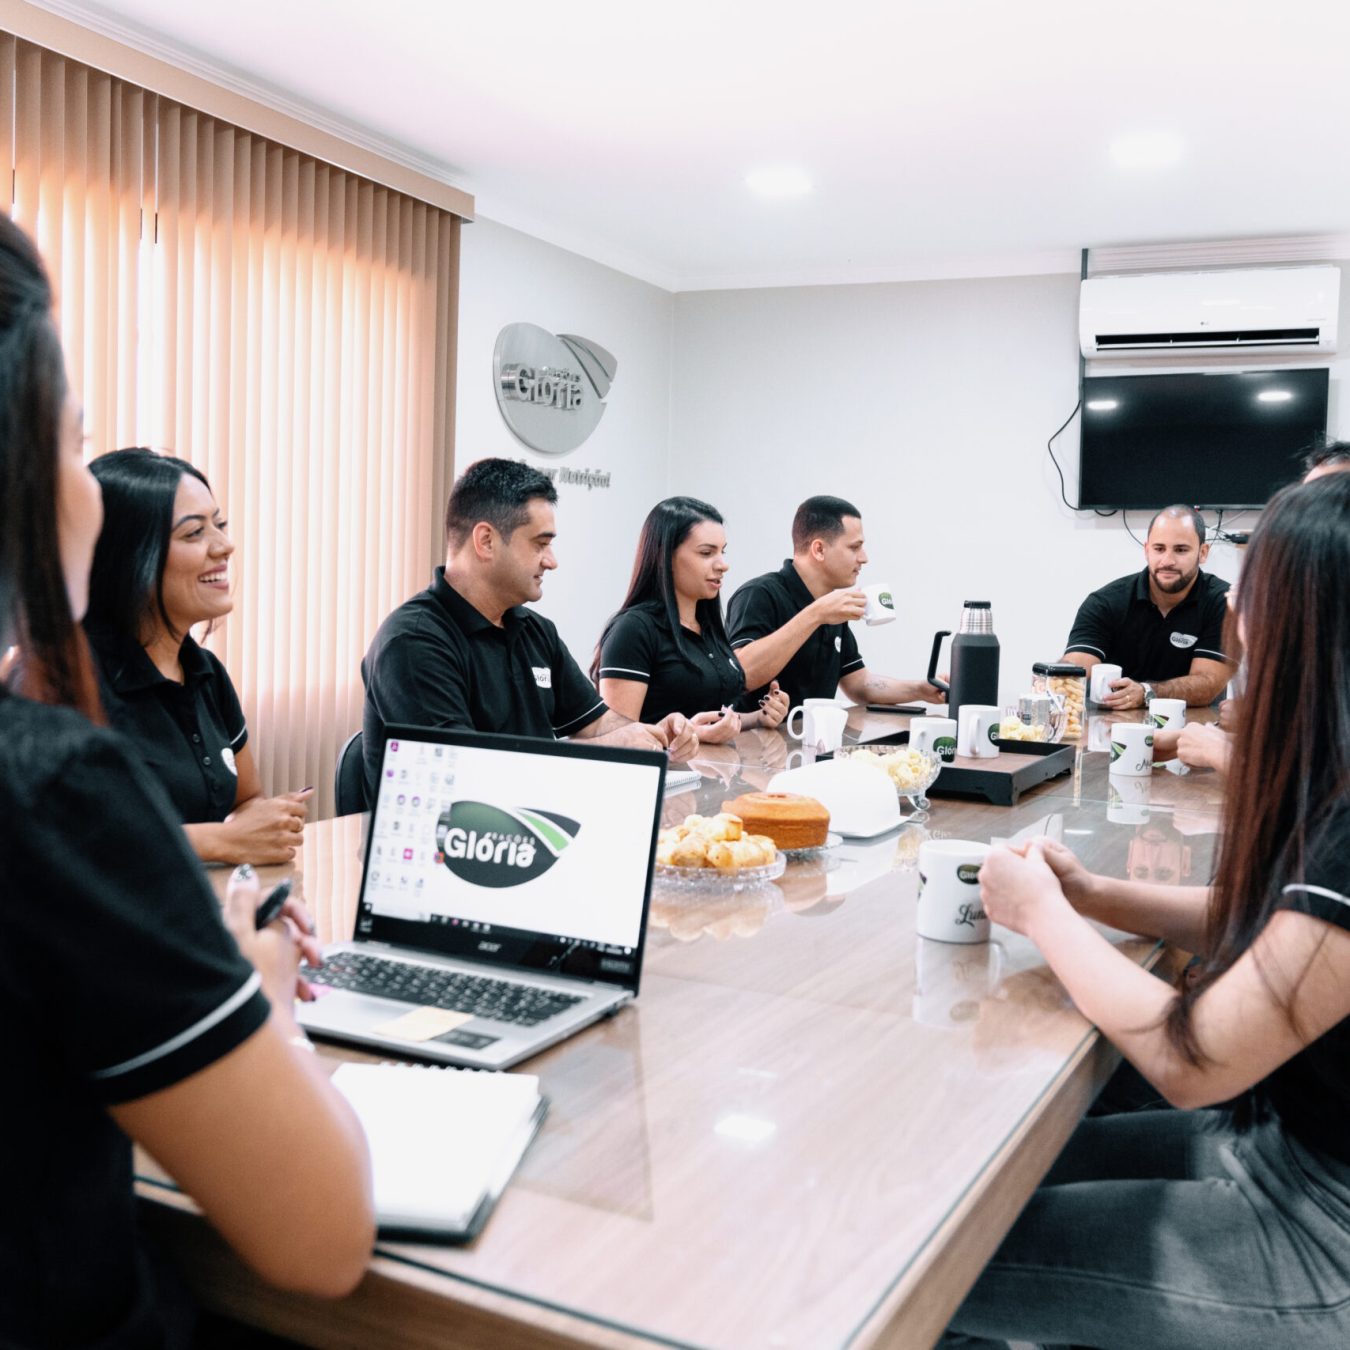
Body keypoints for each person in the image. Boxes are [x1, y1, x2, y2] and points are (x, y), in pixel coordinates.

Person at [0, 216, 373, 1348]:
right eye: (75, 446)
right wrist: (257, 989)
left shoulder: (203, 680)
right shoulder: (50, 778)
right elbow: (321, 1238)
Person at [944, 471, 1350, 1348]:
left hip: (1321, 1232)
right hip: (1280, 1147)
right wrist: (1090, 893)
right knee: (964, 1183)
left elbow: (1190, 1060)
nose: (1237, 615)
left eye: (1255, 592)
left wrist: (1047, 918)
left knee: (933, 1253)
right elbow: (1282, 932)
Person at [362, 458, 698, 804]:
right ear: (486, 541)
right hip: (448, 843)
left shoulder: (535, 631)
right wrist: (603, 748)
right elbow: (464, 777)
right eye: (540, 544)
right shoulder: (413, 642)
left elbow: (597, 724)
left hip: (527, 829)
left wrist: (652, 733)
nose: (551, 560)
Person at [83, 448, 311, 864]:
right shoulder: (73, 678)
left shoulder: (205, 672)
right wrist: (220, 841)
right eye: (194, 533)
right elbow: (69, 837)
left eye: (219, 525)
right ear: (129, 557)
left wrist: (263, 826)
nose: (225, 545)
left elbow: (247, 800)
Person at [592, 496, 789, 742]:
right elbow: (618, 740)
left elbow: (712, 718)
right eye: (706, 553)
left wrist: (759, 718)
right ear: (665, 556)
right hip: (667, 777)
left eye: (722, 551)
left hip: (714, 774)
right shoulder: (633, 629)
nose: (723, 565)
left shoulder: (708, 627)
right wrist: (688, 734)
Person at [726, 495, 941, 710]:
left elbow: (859, 684)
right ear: (819, 549)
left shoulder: (830, 605)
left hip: (812, 741)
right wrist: (816, 614)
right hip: (754, 741)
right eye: (854, 547)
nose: (864, 558)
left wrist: (920, 690)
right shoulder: (759, 594)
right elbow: (742, 674)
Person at [1061, 503, 1233, 710]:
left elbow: (1208, 682)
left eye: (1181, 550)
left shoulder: (1225, 602)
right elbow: (1077, 665)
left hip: (1193, 731)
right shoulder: (1105, 602)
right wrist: (1058, 678)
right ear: (1146, 550)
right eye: (1159, 549)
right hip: (1111, 729)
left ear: (1203, 552)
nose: (1167, 560)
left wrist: (1146, 692)